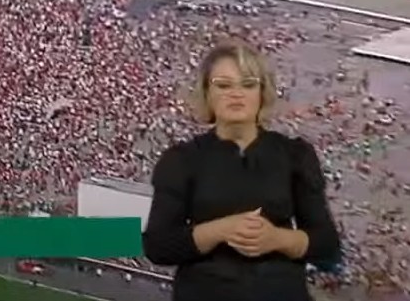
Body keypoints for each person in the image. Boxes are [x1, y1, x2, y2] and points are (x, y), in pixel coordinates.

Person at [142, 40, 341, 301]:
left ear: (262, 93)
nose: (236, 93)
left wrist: (277, 239)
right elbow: (158, 246)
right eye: (223, 85)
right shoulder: (181, 160)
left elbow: (326, 243)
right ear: (206, 94)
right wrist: (220, 230)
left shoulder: (295, 155)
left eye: (248, 84)